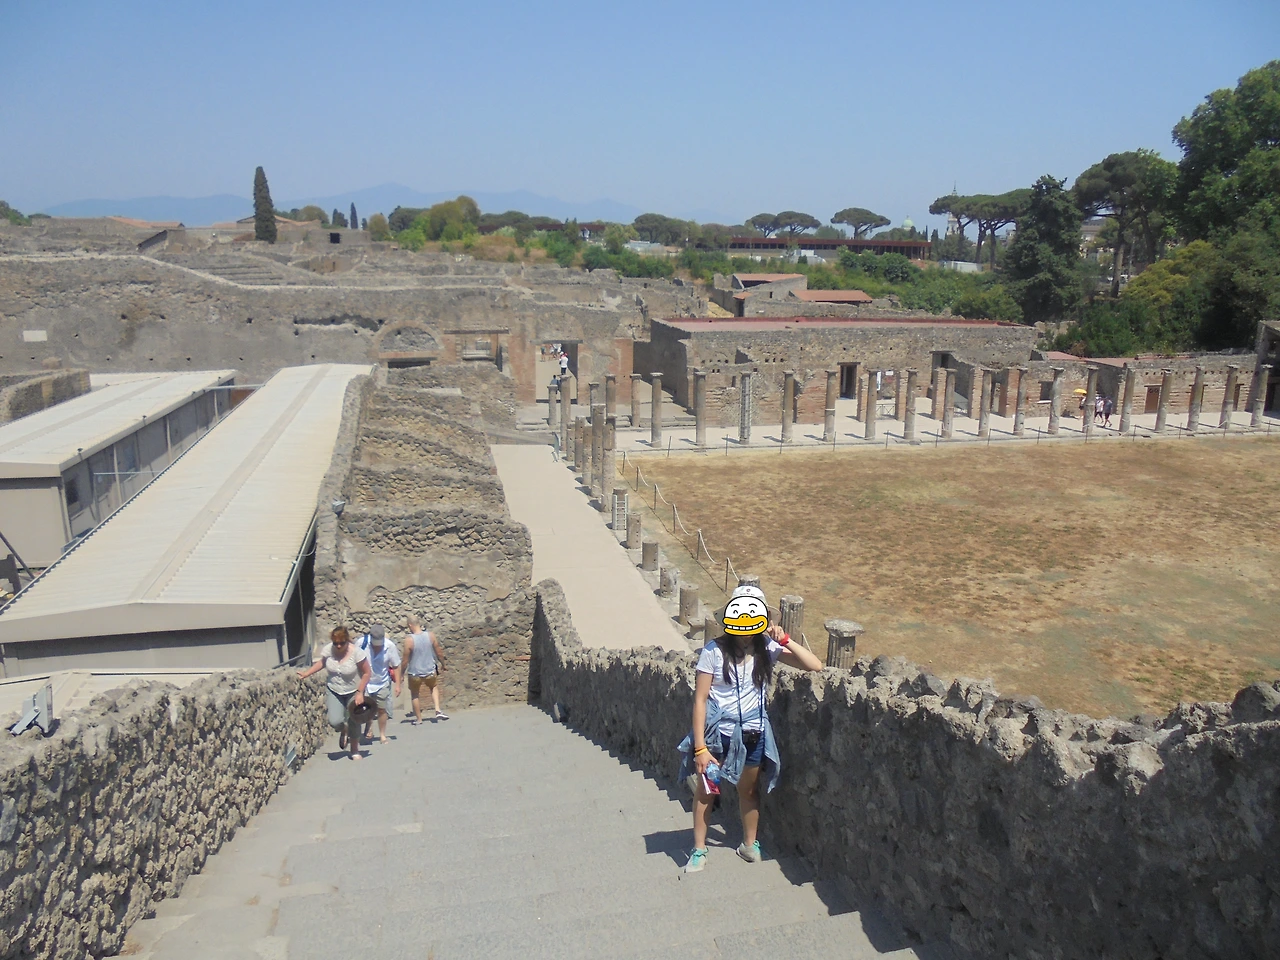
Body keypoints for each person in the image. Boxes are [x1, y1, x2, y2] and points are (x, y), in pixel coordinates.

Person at [679, 584, 822, 873]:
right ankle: (698, 849)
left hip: (753, 734)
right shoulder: (713, 651)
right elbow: (700, 699)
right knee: (707, 792)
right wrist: (700, 748)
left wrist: (785, 639)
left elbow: (814, 666)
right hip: (718, 736)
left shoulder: (767, 649)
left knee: (749, 790)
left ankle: (749, 844)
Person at [297, 626, 370, 760]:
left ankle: (354, 749)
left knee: (354, 719)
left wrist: (360, 692)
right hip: (334, 689)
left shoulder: (356, 653)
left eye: (342, 643)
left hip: (353, 690)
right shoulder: (328, 650)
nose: (338, 646)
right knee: (334, 720)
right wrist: (306, 673)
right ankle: (344, 729)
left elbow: (367, 672)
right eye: (336, 643)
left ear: (347, 640)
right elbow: (322, 663)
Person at [357, 624, 401, 745]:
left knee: (382, 709)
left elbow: (396, 665)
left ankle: (382, 734)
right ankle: (368, 725)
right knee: (366, 708)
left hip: (382, 682)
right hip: (366, 681)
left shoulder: (389, 646)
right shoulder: (361, 643)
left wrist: (397, 685)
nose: (377, 646)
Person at [403, 616, 449, 724]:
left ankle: (419, 719)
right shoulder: (431, 636)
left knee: (415, 694)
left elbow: (405, 660)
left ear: (410, 625)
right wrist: (443, 664)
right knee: (433, 687)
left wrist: (401, 674)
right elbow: (439, 652)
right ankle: (437, 710)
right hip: (429, 669)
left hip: (414, 672)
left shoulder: (409, 640)